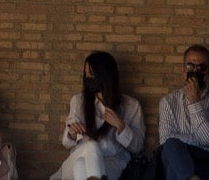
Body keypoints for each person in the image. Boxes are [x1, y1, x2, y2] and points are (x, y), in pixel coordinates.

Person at [52, 50, 144, 180]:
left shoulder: (131, 106)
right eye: (86, 74)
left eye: (91, 74)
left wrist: (121, 126)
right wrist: (71, 134)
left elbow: (138, 148)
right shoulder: (79, 101)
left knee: (81, 167)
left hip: (112, 162)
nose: (87, 78)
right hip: (77, 157)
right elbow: (66, 143)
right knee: (91, 146)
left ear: (105, 76)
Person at [157, 45, 209, 180]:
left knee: (174, 167)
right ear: (183, 70)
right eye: (190, 67)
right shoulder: (168, 102)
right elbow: (165, 141)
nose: (195, 72)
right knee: (172, 148)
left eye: (201, 68)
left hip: (208, 160)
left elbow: (206, 140)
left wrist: (195, 102)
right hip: (176, 156)